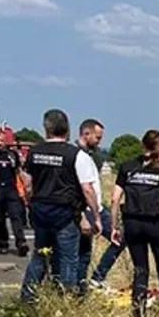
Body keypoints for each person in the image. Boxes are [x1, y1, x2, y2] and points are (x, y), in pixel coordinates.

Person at [19, 109, 101, 302]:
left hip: (41, 210)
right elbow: (87, 189)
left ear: (46, 128)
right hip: (65, 213)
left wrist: (31, 202)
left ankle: (27, 296)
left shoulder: (34, 152)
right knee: (68, 258)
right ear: (67, 129)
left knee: (40, 255)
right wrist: (95, 216)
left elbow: (27, 183)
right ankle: (65, 298)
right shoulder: (75, 155)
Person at [110, 130, 159, 317]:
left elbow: (115, 198)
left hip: (133, 224)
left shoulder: (127, 167)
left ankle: (139, 313)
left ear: (142, 145)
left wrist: (114, 226)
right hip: (156, 224)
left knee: (140, 268)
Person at [72, 119, 106, 294]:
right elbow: (86, 188)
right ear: (86, 134)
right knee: (83, 252)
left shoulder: (87, 155)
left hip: (94, 208)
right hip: (88, 210)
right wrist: (95, 216)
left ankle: (87, 282)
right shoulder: (80, 157)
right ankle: (81, 288)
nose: (99, 142)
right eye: (97, 138)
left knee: (84, 252)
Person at [0, 131, 29, 255]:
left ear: (6, 141)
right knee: (0, 219)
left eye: (2, 141)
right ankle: (3, 243)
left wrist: (25, 185)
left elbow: (18, 170)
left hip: (11, 188)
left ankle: (21, 243)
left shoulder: (12, 154)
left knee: (16, 215)